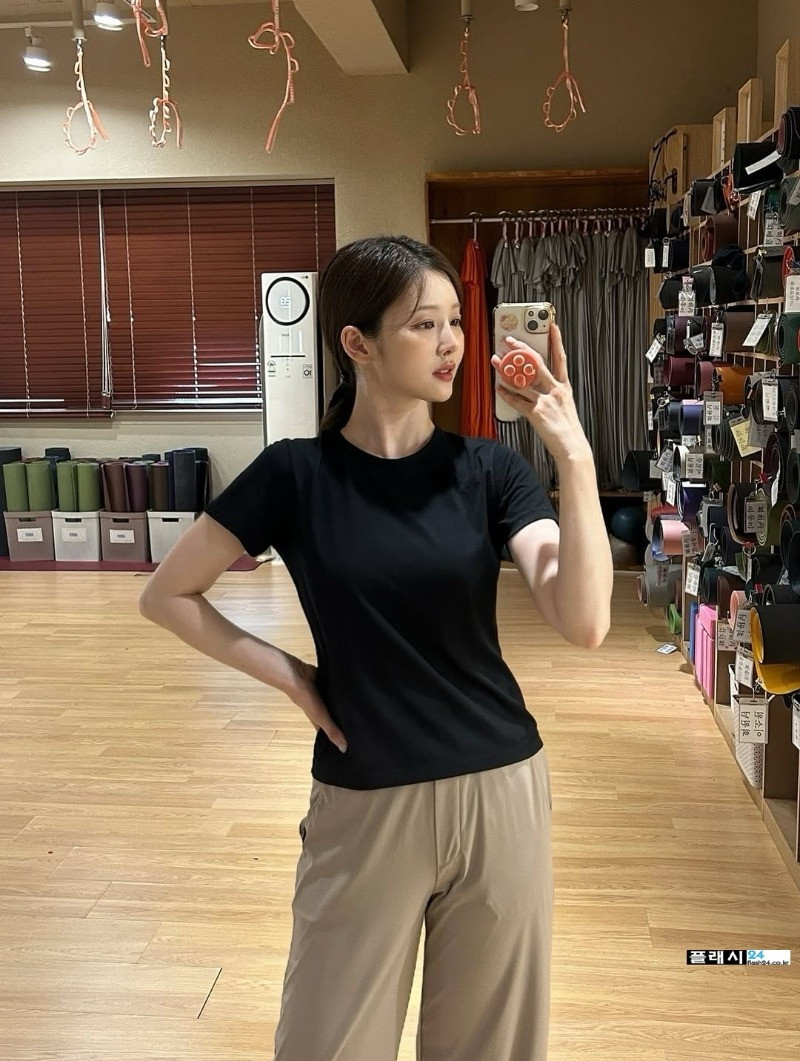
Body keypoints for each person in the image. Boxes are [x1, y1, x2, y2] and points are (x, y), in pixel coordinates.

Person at [138, 235, 613, 1060]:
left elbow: (585, 619)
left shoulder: (489, 471)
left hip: (500, 788)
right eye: (424, 324)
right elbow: (167, 594)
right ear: (356, 343)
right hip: (365, 795)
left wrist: (572, 453)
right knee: (327, 1041)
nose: (452, 343)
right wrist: (292, 675)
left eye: (456, 321)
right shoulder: (294, 474)